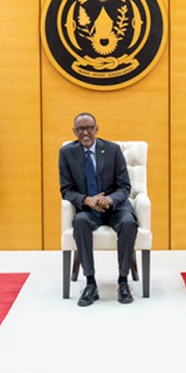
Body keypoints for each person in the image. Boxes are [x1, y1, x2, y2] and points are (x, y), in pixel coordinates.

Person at [59, 113, 138, 306]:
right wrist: (86, 200)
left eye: (89, 128)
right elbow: (66, 190)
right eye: (80, 129)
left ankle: (123, 281)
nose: (85, 133)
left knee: (129, 223)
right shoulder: (67, 153)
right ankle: (90, 283)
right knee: (80, 222)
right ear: (74, 132)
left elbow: (125, 187)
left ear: (96, 129)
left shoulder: (112, 150)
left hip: (115, 207)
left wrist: (109, 199)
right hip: (88, 208)